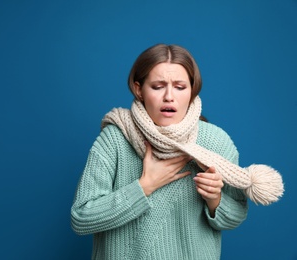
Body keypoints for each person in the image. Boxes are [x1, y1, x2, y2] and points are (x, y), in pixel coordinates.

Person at [70, 44, 250, 260]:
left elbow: (236, 215)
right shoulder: (115, 139)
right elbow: (81, 218)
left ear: (192, 90)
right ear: (139, 90)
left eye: (180, 87)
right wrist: (145, 186)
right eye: (157, 86)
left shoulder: (216, 142)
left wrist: (215, 200)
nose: (169, 97)